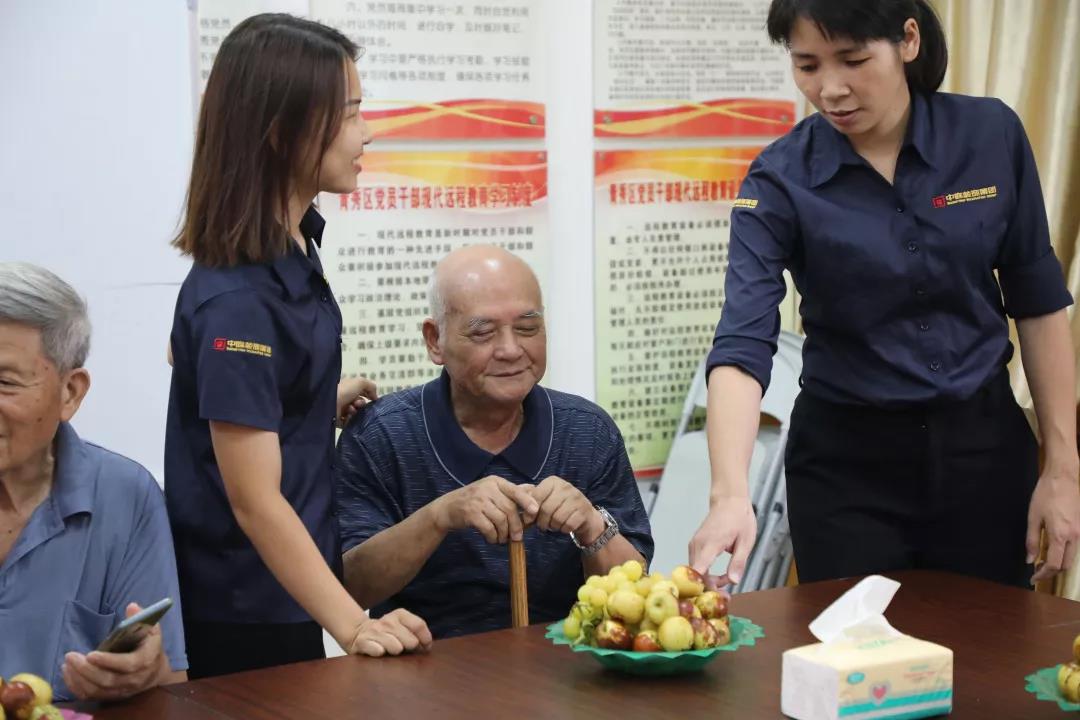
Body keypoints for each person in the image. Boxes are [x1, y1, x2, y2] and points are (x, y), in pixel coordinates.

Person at [689, 0, 1079, 589]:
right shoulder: (779, 179)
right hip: (846, 468)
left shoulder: (989, 135)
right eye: (807, 65)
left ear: (908, 40)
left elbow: (1038, 300)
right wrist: (729, 494)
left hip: (984, 455)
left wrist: (1064, 470)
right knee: (851, 643)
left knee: (989, 640)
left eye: (852, 60)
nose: (830, 89)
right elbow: (743, 344)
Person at [165, 14, 430, 678]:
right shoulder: (238, 300)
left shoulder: (291, 244)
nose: (366, 133)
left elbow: (233, 394)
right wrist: (355, 625)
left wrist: (314, 401)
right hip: (246, 606)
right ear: (282, 132)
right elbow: (254, 499)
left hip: (287, 587)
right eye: (350, 114)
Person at [334, 246, 654, 638]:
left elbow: (635, 591)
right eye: (483, 332)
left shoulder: (588, 431)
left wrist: (591, 525)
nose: (510, 350)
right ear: (435, 340)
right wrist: (439, 517)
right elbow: (350, 586)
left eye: (527, 328)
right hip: (426, 660)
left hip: (565, 660)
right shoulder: (382, 435)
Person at [0, 262, 187, 701]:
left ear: (70, 392)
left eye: (4, 382)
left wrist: (146, 672)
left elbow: (171, 685)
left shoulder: (124, 497)